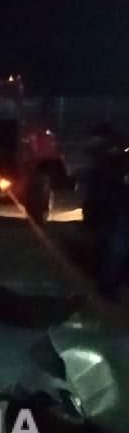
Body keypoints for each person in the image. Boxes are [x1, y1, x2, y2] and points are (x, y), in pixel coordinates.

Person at [82, 123, 129, 300]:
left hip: (111, 208)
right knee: (115, 247)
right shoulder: (112, 160)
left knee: (112, 246)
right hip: (115, 208)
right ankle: (107, 286)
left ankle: (108, 284)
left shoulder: (109, 160)